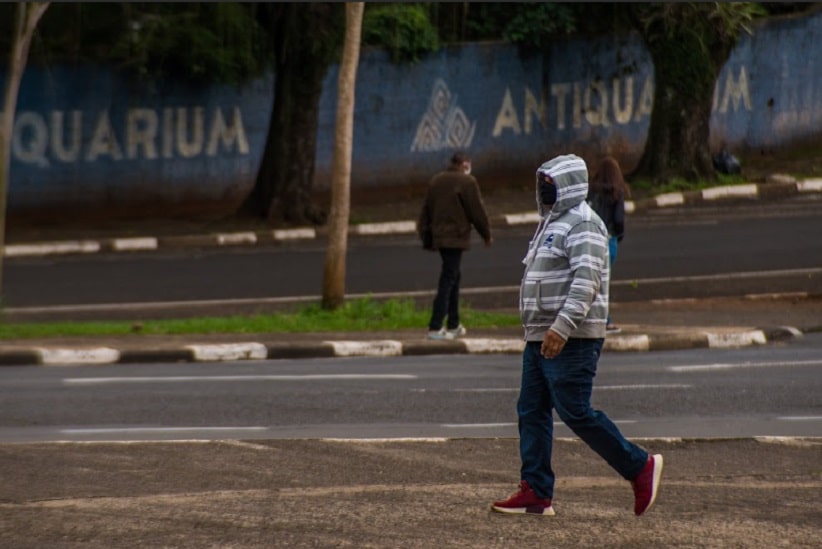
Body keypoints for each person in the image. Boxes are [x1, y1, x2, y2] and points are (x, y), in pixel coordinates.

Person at [491, 154, 662, 517]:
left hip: (570, 336)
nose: (543, 191)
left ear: (567, 186)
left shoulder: (584, 224)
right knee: (531, 410)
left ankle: (639, 466)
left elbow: (587, 281)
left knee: (575, 411)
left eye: (549, 185)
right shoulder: (551, 223)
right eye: (542, 185)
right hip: (540, 334)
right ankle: (536, 491)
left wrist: (562, 327)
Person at [417, 151, 492, 340]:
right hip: (456, 237)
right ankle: (435, 326)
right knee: (449, 278)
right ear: (465, 164)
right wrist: (486, 235)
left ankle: (454, 324)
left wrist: (425, 236)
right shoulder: (467, 182)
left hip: (439, 237)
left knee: (454, 276)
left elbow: (425, 211)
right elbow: (477, 212)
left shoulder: (436, 180)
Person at [587, 156, 631, 334]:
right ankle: (603, 319)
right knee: (602, 283)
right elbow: (619, 219)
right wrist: (619, 235)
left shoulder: (590, 191)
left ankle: (585, 317)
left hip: (589, 239)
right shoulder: (617, 193)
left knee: (587, 280)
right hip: (608, 240)